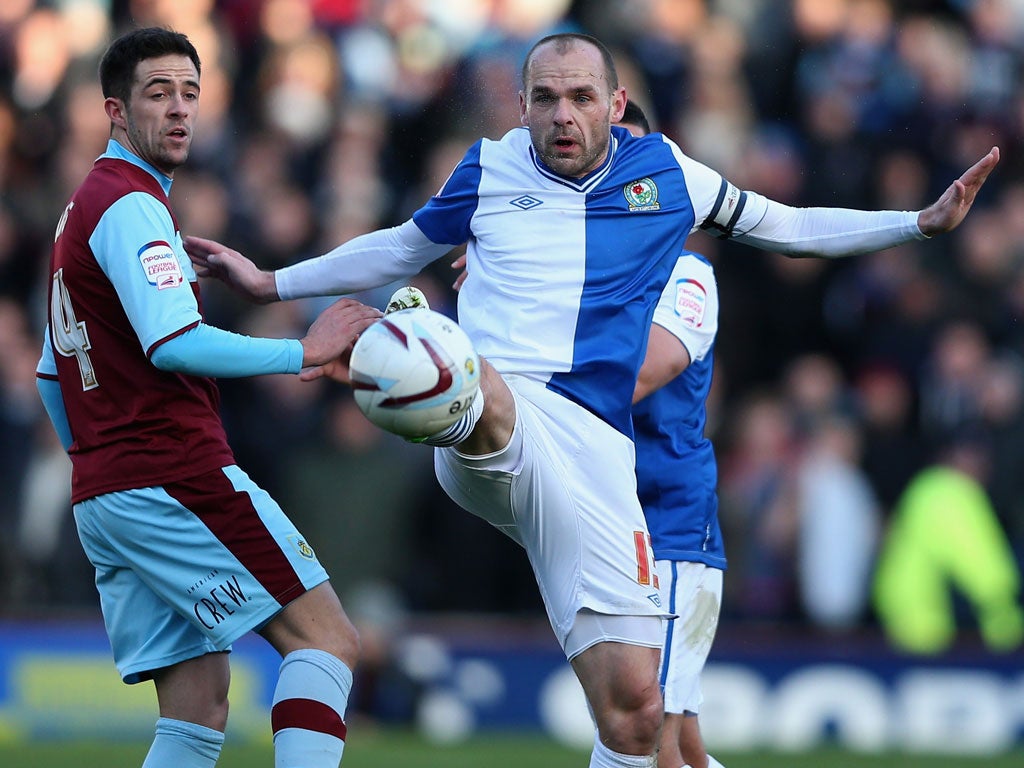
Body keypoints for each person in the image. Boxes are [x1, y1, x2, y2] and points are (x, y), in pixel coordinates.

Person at [185, 32, 998, 768]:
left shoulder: (669, 177)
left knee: (639, 717)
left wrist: (917, 225)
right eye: (544, 98)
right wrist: (270, 282)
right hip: (493, 417)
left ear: (614, 105)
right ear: (522, 104)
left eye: (579, 97)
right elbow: (401, 244)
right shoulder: (489, 167)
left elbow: (786, 225)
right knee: (454, 364)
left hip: (596, 456)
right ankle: (409, 353)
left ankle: (408, 352)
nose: (561, 115)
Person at [34, 27, 382, 768]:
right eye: (158, 94)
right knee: (327, 638)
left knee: (198, 707)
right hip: (172, 472)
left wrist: (98, 461)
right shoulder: (129, 205)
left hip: (109, 492)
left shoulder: (81, 212)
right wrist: (304, 352)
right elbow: (173, 344)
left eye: (191, 93)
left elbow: (47, 373)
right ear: (115, 112)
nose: (180, 110)